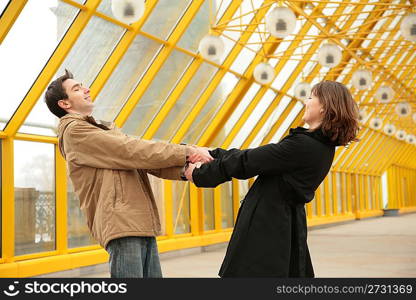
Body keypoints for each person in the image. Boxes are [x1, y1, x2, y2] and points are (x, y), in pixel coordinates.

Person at [45, 69, 213, 278]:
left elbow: (140, 160)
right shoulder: (75, 132)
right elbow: (132, 149)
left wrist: (183, 170)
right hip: (121, 221)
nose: (87, 89)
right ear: (65, 104)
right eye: (77, 89)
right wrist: (185, 152)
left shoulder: (98, 129)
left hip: (136, 220)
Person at [185, 80, 359, 277]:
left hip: (267, 229)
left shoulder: (303, 145)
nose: (306, 101)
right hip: (283, 226)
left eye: (311, 97)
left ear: (324, 107)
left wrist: (198, 174)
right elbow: (255, 158)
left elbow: (247, 162)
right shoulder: (321, 147)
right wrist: (211, 153)